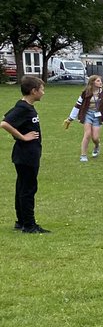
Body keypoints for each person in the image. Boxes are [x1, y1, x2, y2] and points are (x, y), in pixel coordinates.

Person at [3, 75, 48, 232]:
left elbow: (6, 117)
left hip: (27, 154)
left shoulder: (24, 106)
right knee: (28, 189)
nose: (43, 92)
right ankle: (29, 225)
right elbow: (5, 123)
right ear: (33, 91)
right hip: (26, 155)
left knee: (22, 187)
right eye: (41, 89)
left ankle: (21, 221)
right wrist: (22, 136)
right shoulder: (23, 107)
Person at [64, 75, 103, 162]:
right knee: (87, 134)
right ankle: (83, 155)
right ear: (92, 82)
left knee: (95, 137)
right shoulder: (85, 93)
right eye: (98, 81)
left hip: (98, 116)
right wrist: (70, 118)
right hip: (87, 114)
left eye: (100, 81)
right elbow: (77, 105)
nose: (100, 82)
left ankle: (97, 146)